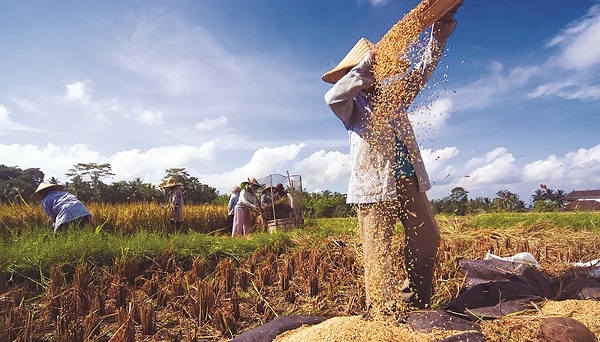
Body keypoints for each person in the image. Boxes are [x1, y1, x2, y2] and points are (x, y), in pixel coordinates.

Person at [322, 5, 460, 316]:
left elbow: (423, 71)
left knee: (428, 238)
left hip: (409, 181)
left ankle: (417, 301)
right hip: (374, 188)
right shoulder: (350, 105)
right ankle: (382, 314)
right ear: (357, 71)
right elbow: (331, 96)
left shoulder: (394, 98)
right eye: (376, 67)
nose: (381, 72)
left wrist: (439, 35)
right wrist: (367, 64)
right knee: (377, 251)